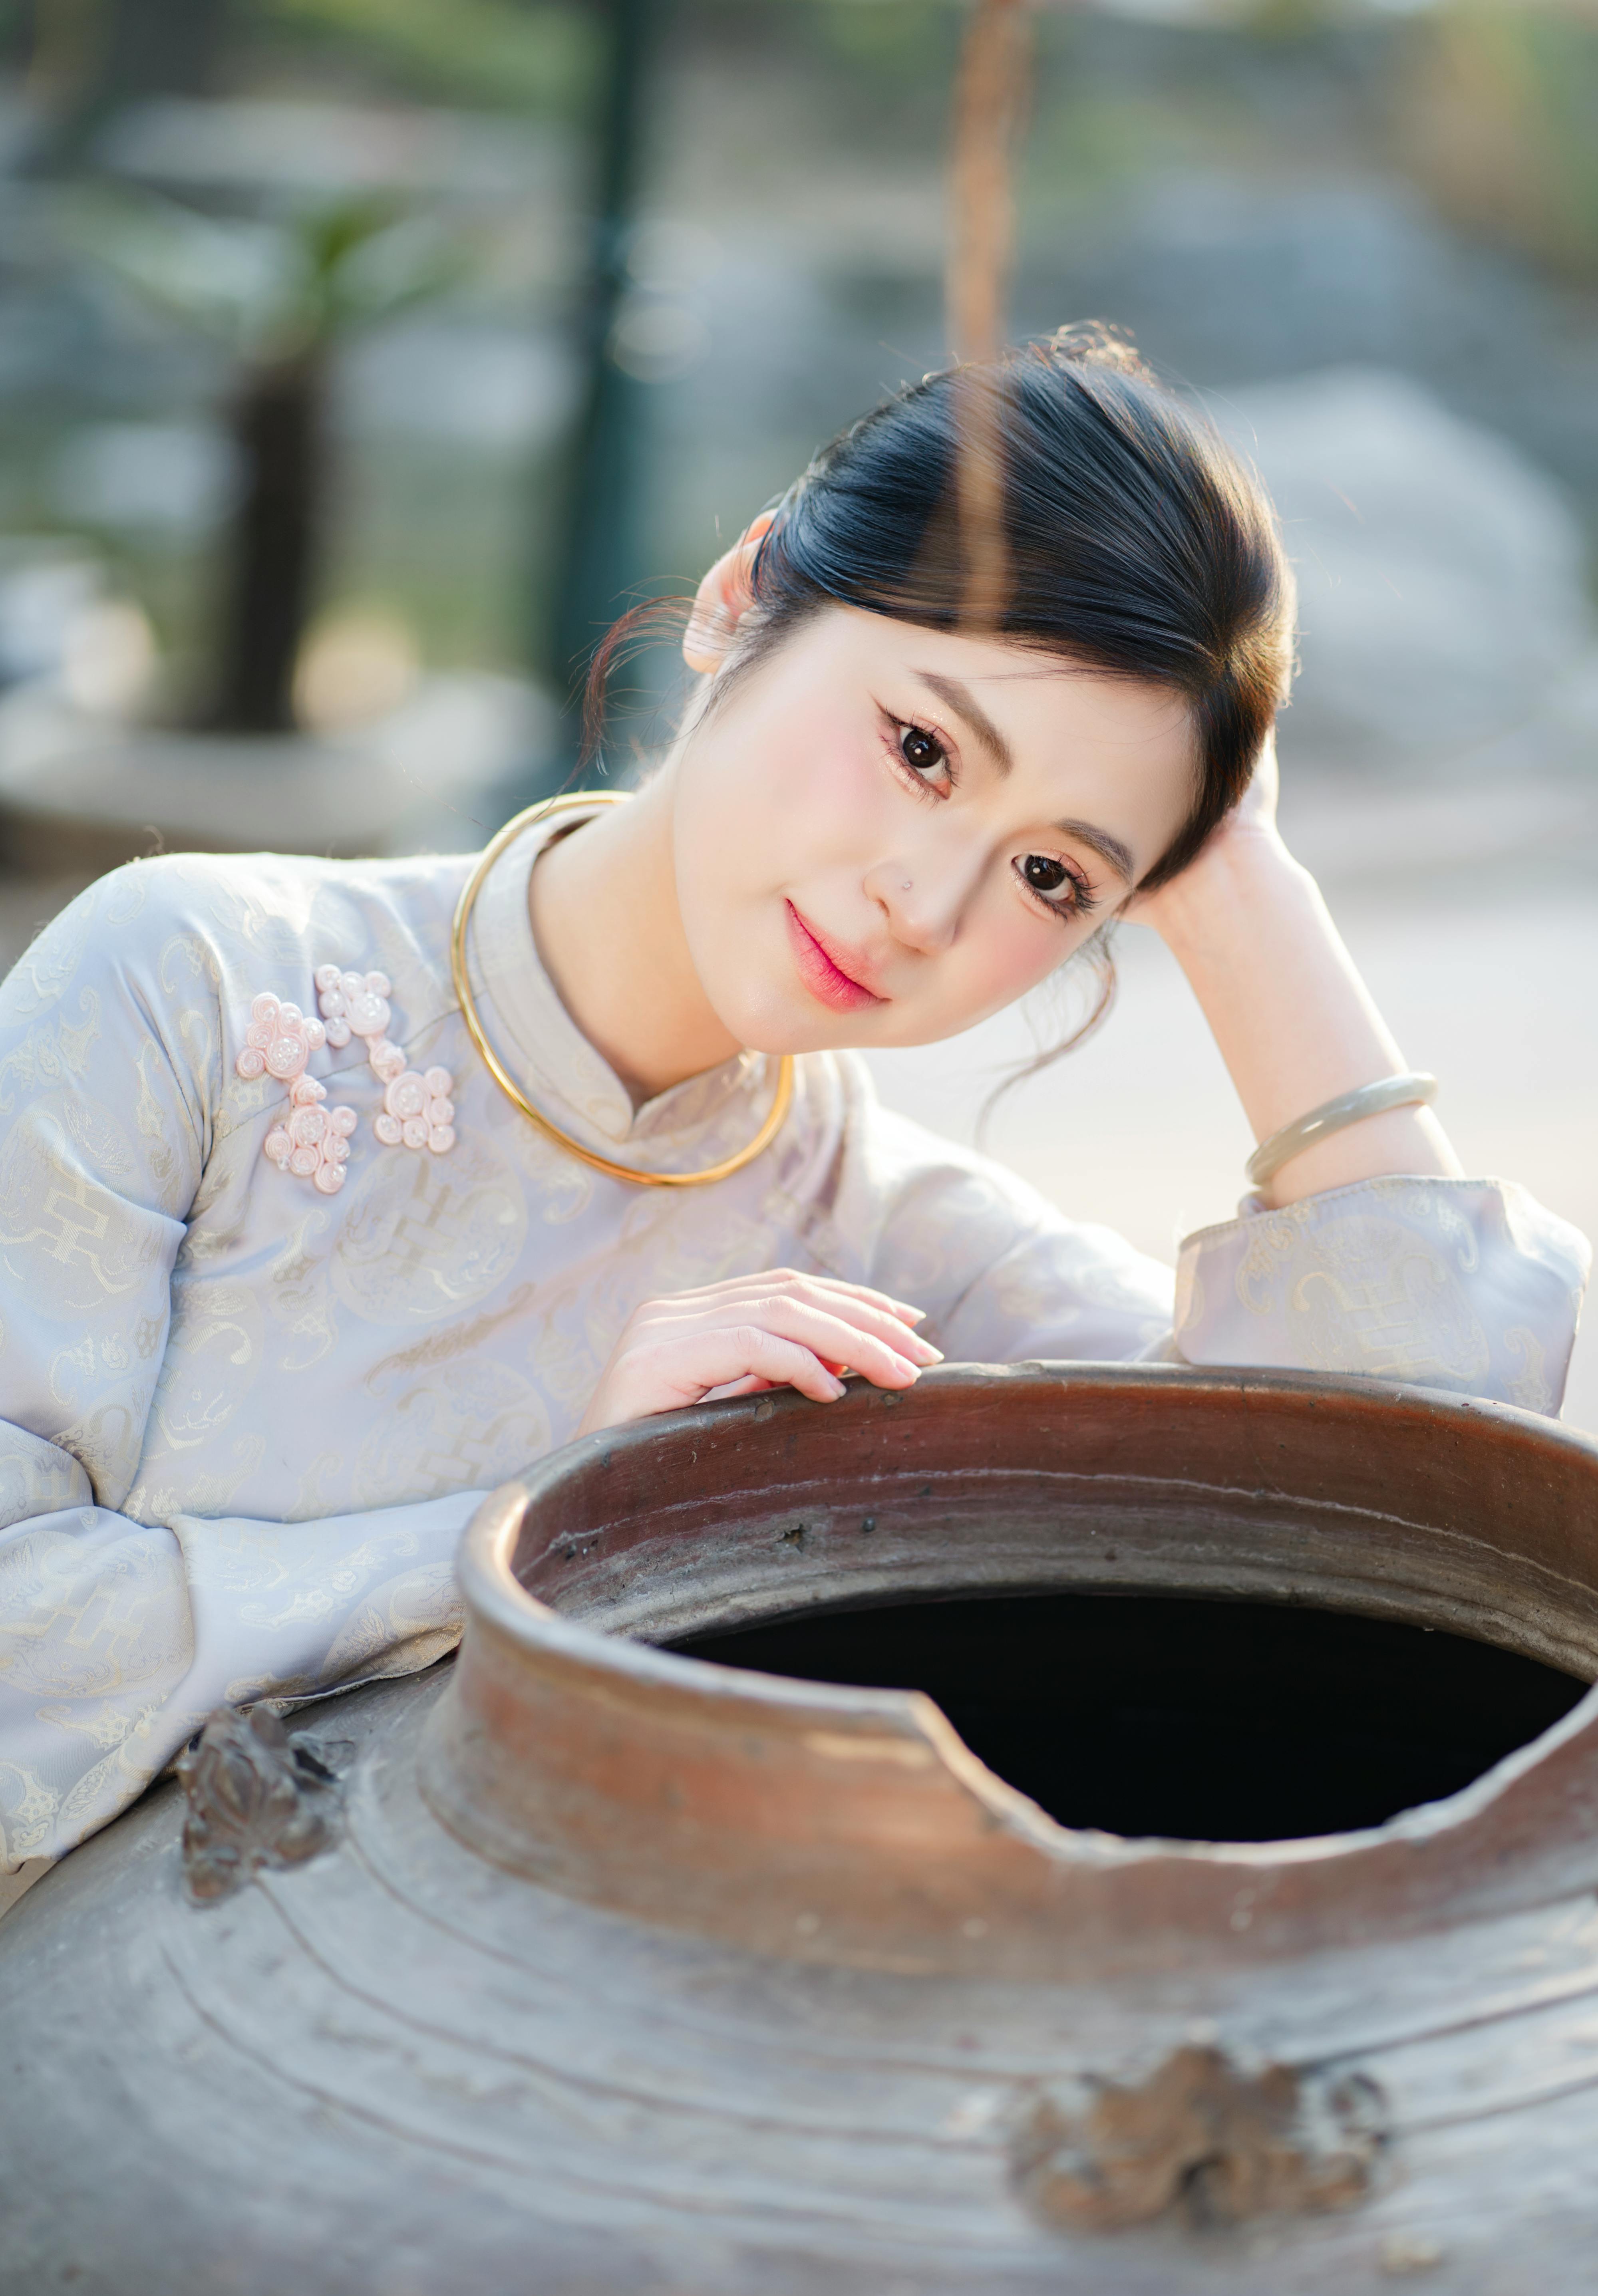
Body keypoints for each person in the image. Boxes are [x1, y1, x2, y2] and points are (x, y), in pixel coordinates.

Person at [0, 327, 1585, 1893]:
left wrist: (1243, 888)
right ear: (742, 594)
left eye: (1054, 875)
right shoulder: (193, 988)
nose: (923, 903)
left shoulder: (894, 1252)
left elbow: (1414, 1511)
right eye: (920, 749)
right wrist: (562, 1512)